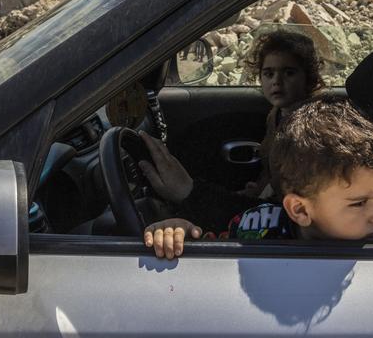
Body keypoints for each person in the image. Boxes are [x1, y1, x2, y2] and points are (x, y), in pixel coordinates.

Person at [143, 95, 373, 259]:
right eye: (359, 203)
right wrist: (178, 233)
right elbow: (209, 253)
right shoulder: (254, 229)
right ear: (300, 210)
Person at [138, 30, 326, 228]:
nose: (276, 81)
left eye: (289, 73)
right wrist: (259, 189)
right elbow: (270, 170)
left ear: (310, 78)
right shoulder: (276, 114)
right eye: (269, 73)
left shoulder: (312, 128)